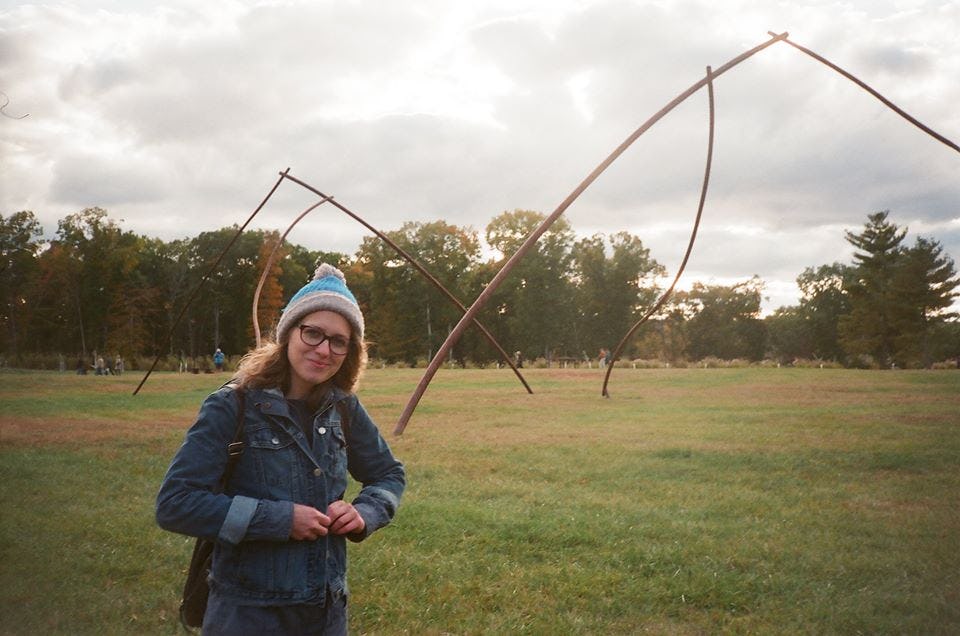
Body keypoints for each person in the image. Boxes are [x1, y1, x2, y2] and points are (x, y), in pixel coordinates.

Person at [156, 263, 405, 635]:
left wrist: (364, 512)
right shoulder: (232, 406)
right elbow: (176, 503)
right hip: (247, 613)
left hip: (326, 611)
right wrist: (278, 519)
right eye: (313, 333)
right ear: (289, 333)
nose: (324, 350)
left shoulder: (343, 406)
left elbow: (388, 474)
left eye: (339, 340)